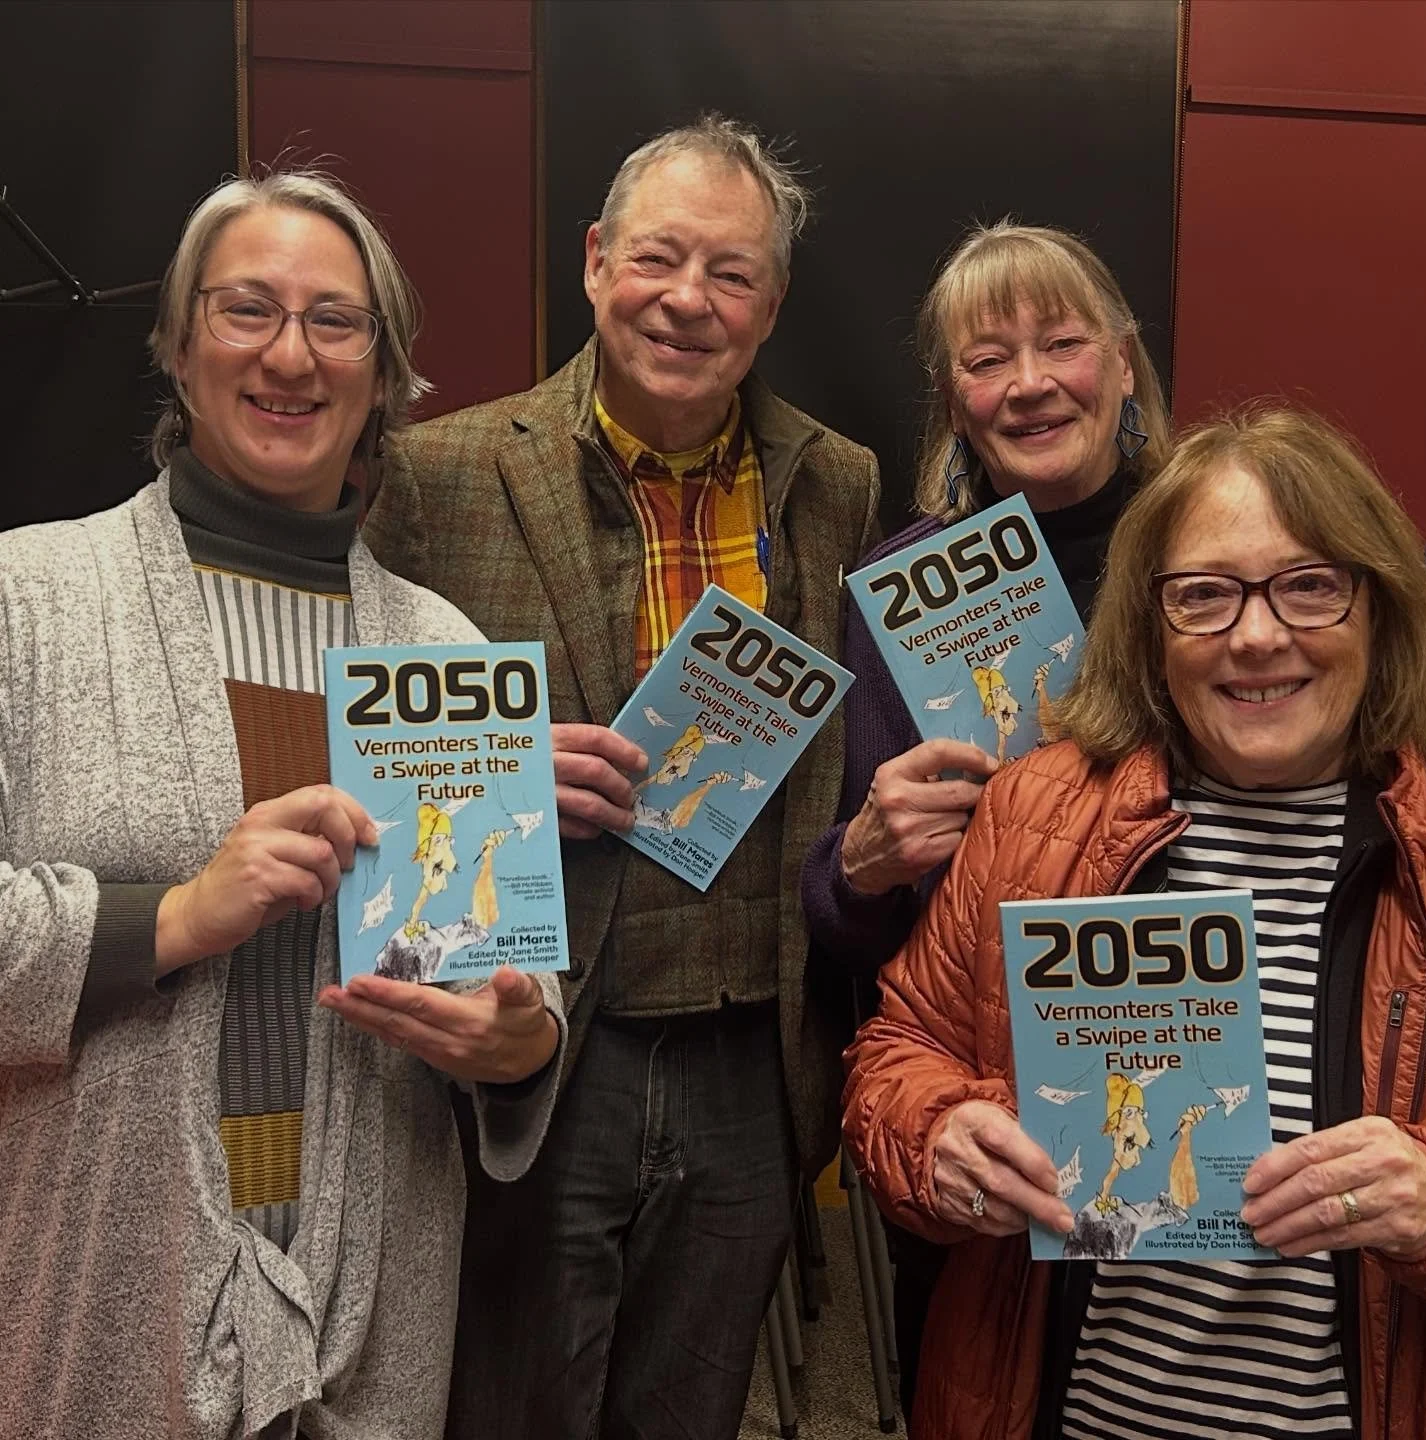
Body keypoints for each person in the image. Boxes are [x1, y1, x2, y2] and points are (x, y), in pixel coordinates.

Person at [0, 171, 565, 1440]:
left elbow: (520, 980)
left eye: (336, 322)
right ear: (179, 346)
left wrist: (520, 1046)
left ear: (384, 375)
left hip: (376, 1293)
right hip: (98, 1276)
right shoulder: (24, 602)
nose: (291, 355)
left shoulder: (447, 652)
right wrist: (177, 915)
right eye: (247, 308)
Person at [365, 114, 880, 1438]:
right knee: (512, 1409)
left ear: (771, 306)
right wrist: (488, 771)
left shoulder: (837, 483)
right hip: (546, 1042)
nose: (688, 300)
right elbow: (352, 743)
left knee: (692, 1409)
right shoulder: (439, 473)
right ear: (597, 261)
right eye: (659, 257)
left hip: (754, 1047)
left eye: (732, 273)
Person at [843, 406, 1426, 1439]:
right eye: (1203, 595)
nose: (1257, 635)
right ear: (1148, 628)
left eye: (1309, 585)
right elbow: (900, 1048)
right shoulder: (1035, 811)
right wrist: (935, 1136)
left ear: (1378, 608)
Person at [800, 220, 1172, 1414]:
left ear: (1123, 363)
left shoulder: (1216, 551)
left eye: (1062, 343)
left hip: (1190, 1031)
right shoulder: (903, 590)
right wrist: (861, 865)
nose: (1029, 383)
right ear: (955, 405)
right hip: (980, 1095)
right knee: (989, 1385)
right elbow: (846, 926)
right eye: (987, 359)